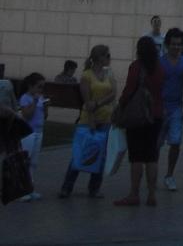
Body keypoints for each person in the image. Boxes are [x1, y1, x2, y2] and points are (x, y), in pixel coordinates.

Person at [57, 44, 117, 199]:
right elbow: (87, 100)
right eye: (107, 55)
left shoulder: (108, 74)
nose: (109, 58)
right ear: (99, 57)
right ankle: (67, 186)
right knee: (81, 152)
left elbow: (113, 94)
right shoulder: (87, 75)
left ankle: (94, 188)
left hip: (105, 118)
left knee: (101, 155)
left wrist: (99, 104)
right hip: (88, 119)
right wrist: (91, 118)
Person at [113, 35, 164, 208]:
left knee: (136, 157)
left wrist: (120, 107)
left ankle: (134, 193)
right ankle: (151, 194)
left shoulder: (136, 67)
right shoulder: (159, 67)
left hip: (138, 116)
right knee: (152, 156)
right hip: (156, 115)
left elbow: (128, 91)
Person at [158, 28, 183, 191]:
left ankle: (169, 175)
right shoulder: (160, 62)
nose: (176, 47)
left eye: (179, 44)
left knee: (175, 142)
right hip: (160, 108)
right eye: (173, 44)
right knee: (156, 144)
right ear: (167, 45)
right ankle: (151, 172)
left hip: (176, 108)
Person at [16, 73, 49, 199]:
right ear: (31, 86)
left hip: (39, 131)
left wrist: (46, 108)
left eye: (43, 87)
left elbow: (44, 117)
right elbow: (27, 115)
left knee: (33, 162)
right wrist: (35, 102)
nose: (41, 90)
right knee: (25, 160)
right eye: (39, 87)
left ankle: (29, 188)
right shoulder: (25, 98)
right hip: (28, 132)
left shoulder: (40, 97)